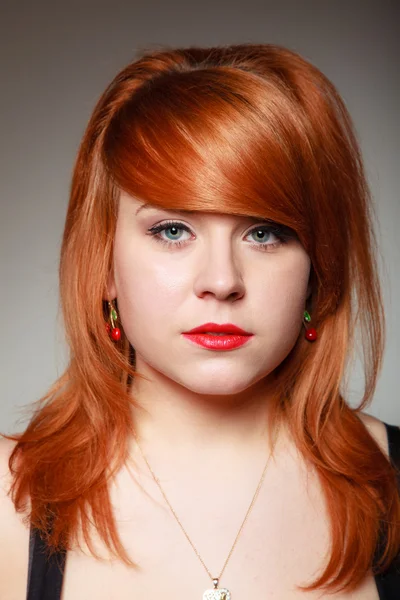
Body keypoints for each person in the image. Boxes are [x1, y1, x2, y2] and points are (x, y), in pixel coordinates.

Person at [0, 42, 399, 600]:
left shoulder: (394, 485)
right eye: (172, 230)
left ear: (318, 266)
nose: (221, 280)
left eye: (265, 232)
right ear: (104, 264)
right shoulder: (7, 498)